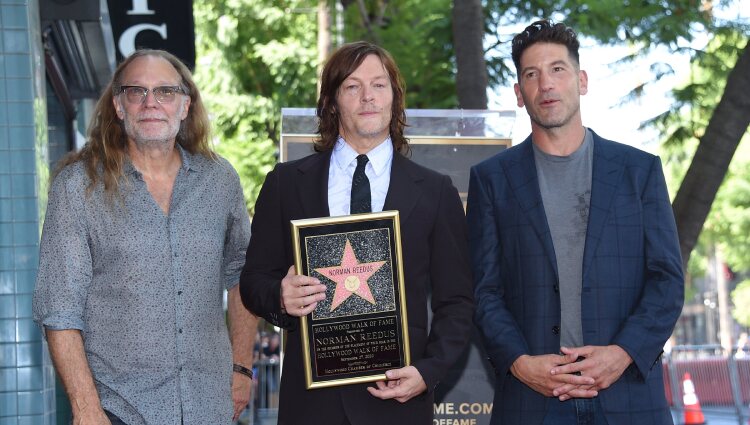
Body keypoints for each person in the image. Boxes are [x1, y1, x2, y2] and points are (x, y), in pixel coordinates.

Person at [239, 41, 474, 425]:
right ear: (332, 101)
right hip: (311, 405)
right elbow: (253, 281)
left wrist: (428, 371)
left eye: (379, 85)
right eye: (352, 86)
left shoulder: (435, 192)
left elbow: (458, 300)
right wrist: (279, 295)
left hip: (399, 401)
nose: (368, 97)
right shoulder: (286, 184)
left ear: (395, 99)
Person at [467, 20, 684, 425]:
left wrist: (622, 354)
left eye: (557, 69)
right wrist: (518, 362)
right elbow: (484, 291)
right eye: (531, 74)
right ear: (519, 93)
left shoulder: (639, 171)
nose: (545, 84)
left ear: (581, 81)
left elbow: (668, 280)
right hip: (532, 400)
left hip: (628, 397)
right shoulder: (491, 180)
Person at [32, 49, 257, 425]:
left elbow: (243, 275)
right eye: (137, 92)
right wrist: (86, 408)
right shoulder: (78, 187)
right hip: (119, 410)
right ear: (119, 106)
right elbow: (59, 309)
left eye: (165, 92)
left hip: (209, 408)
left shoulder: (220, 181)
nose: (151, 103)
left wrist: (242, 367)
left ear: (185, 105)